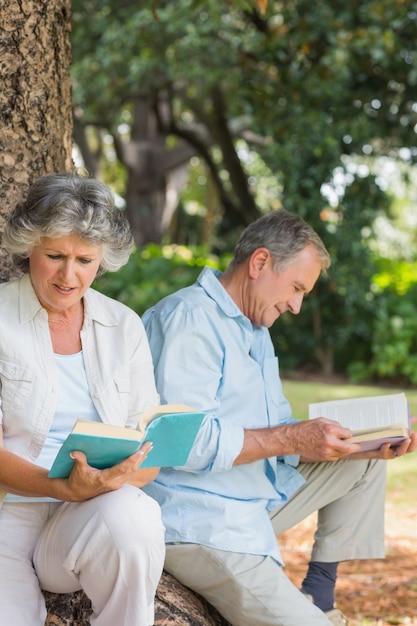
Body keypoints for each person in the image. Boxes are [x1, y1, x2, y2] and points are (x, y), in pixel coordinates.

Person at [142, 209, 417, 626]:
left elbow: (277, 438)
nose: (296, 306)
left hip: (249, 500)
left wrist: (357, 443)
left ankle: (320, 596)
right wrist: (294, 439)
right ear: (259, 263)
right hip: (200, 521)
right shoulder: (190, 318)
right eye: (296, 288)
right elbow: (185, 442)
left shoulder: (255, 330)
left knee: (365, 462)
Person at [0, 172, 165, 626]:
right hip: (7, 514)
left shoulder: (123, 326)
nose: (68, 275)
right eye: (54, 255)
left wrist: (114, 478)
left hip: (86, 514)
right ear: (29, 246)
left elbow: (146, 448)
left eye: (85, 260)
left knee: (135, 517)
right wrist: (59, 486)